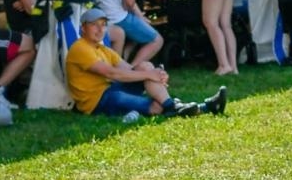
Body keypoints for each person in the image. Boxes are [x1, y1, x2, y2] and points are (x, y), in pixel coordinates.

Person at [65, 8, 215, 120]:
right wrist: (150, 75)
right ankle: (201, 107)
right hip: (97, 102)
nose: (100, 29)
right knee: (156, 106)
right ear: (83, 28)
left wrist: (156, 73)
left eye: (103, 25)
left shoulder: (102, 49)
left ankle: (172, 105)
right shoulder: (80, 48)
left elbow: (129, 69)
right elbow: (112, 73)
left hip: (110, 90)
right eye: (94, 25)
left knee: (145, 66)